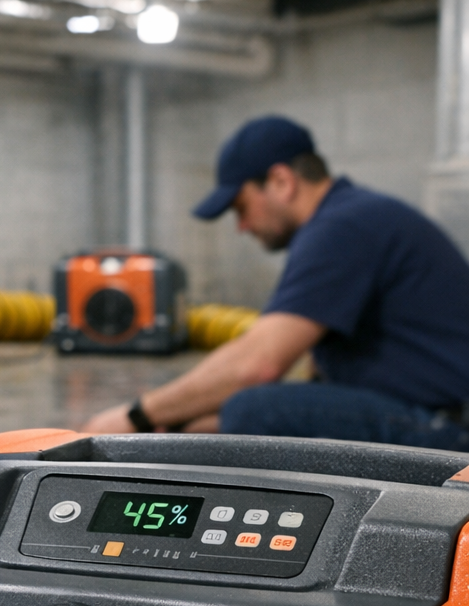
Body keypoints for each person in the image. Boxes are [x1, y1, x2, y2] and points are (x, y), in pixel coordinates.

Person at [84, 115, 469, 455]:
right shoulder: (355, 217)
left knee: (253, 408)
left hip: (449, 431)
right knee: (249, 408)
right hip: (432, 415)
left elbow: (258, 364)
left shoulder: (341, 228)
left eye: (241, 208)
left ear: (282, 181)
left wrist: (135, 418)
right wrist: (181, 425)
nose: (241, 226)